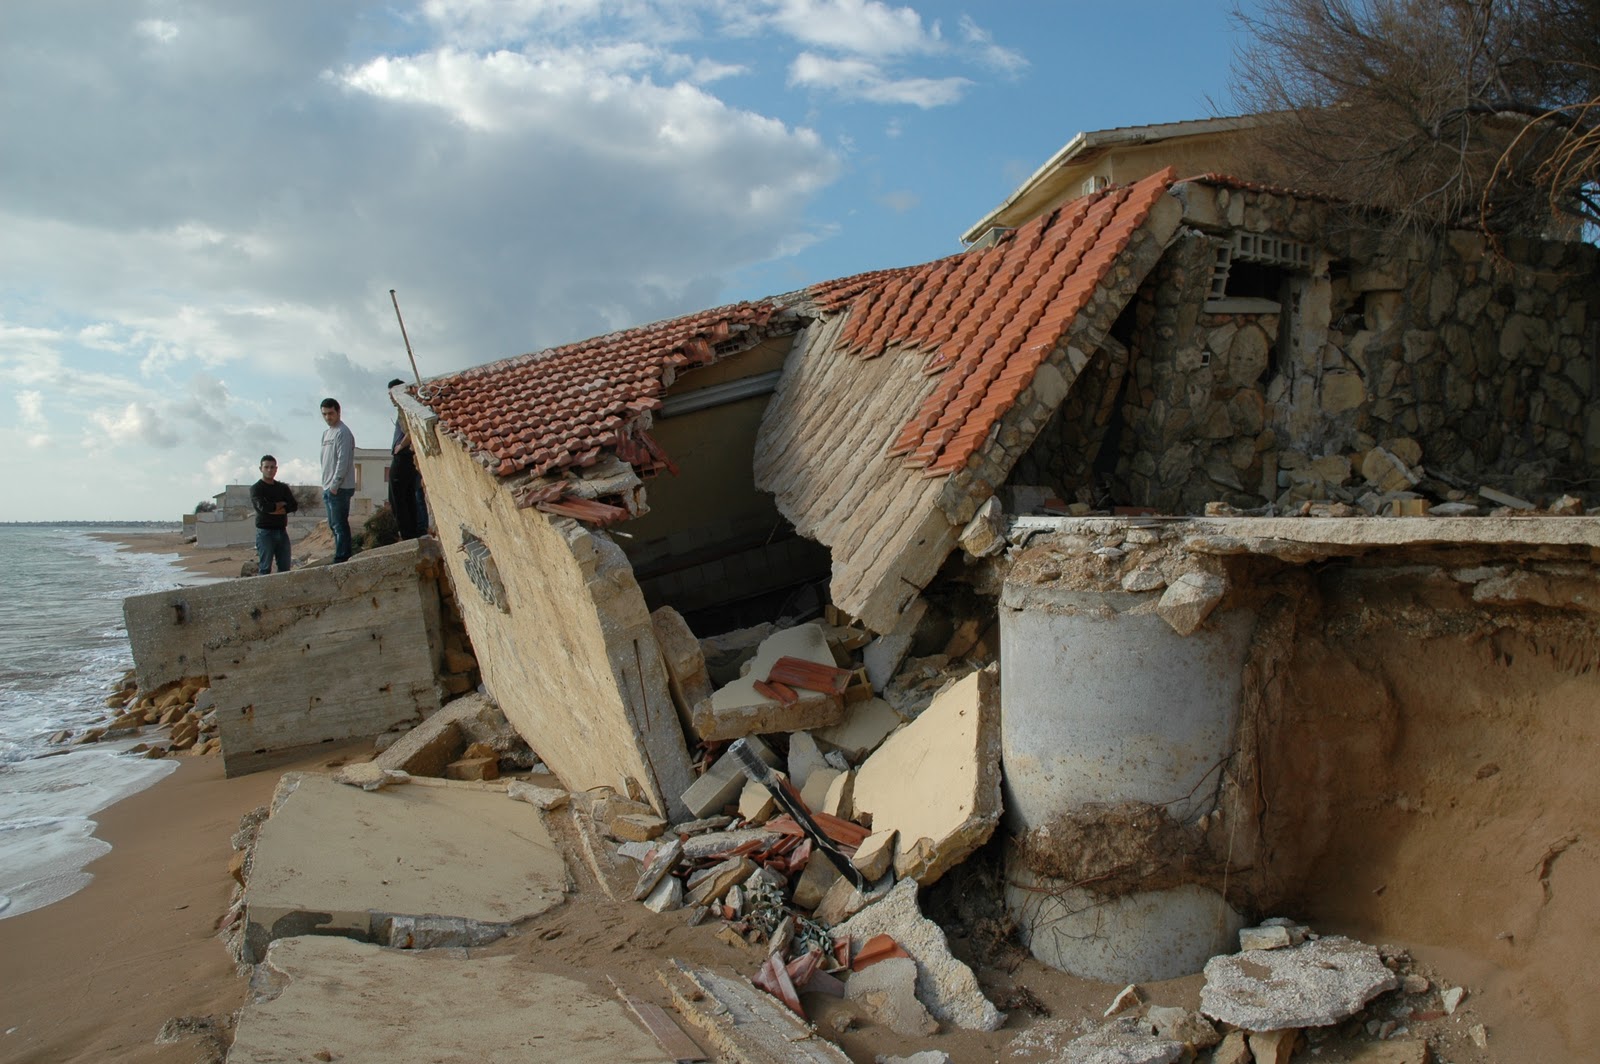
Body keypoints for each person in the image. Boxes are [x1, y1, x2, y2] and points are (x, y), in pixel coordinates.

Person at [320, 397, 357, 562]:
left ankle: (343, 557)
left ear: (338, 412)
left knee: (339, 525)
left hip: (340, 487)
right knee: (333, 525)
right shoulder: (326, 434)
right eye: (325, 414)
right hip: (328, 486)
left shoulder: (343, 432)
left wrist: (335, 485)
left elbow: (344, 461)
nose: (328, 417)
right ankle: (340, 554)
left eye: (331, 413)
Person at [387, 378, 425, 540]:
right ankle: (412, 532)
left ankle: (408, 533)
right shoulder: (404, 409)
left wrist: (400, 446)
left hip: (404, 455)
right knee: (408, 495)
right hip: (406, 456)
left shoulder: (406, 409)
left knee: (398, 496)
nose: (390, 397)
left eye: (392, 394)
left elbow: (412, 429)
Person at [250, 455, 298, 574]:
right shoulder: (256, 488)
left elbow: (293, 505)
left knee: (285, 568)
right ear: (260, 469)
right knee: (265, 567)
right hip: (265, 533)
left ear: (276, 469)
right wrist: (280, 504)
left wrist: (276, 509)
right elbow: (263, 507)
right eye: (266, 467)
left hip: (281, 531)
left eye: (272, 467)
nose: (269, 470)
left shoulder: (282, 488)